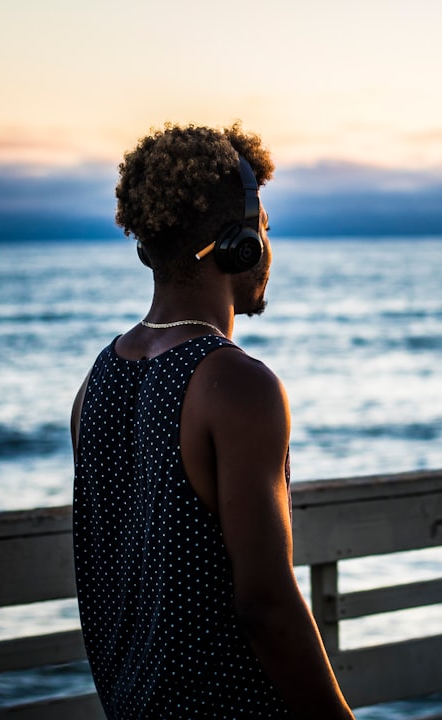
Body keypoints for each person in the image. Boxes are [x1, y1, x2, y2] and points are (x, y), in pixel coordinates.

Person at [70, 122, 354, 719]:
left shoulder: (95, 384)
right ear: (238, 245)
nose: (269, 249)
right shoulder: (238, 386)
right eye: (265, 231)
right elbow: (266, 605)